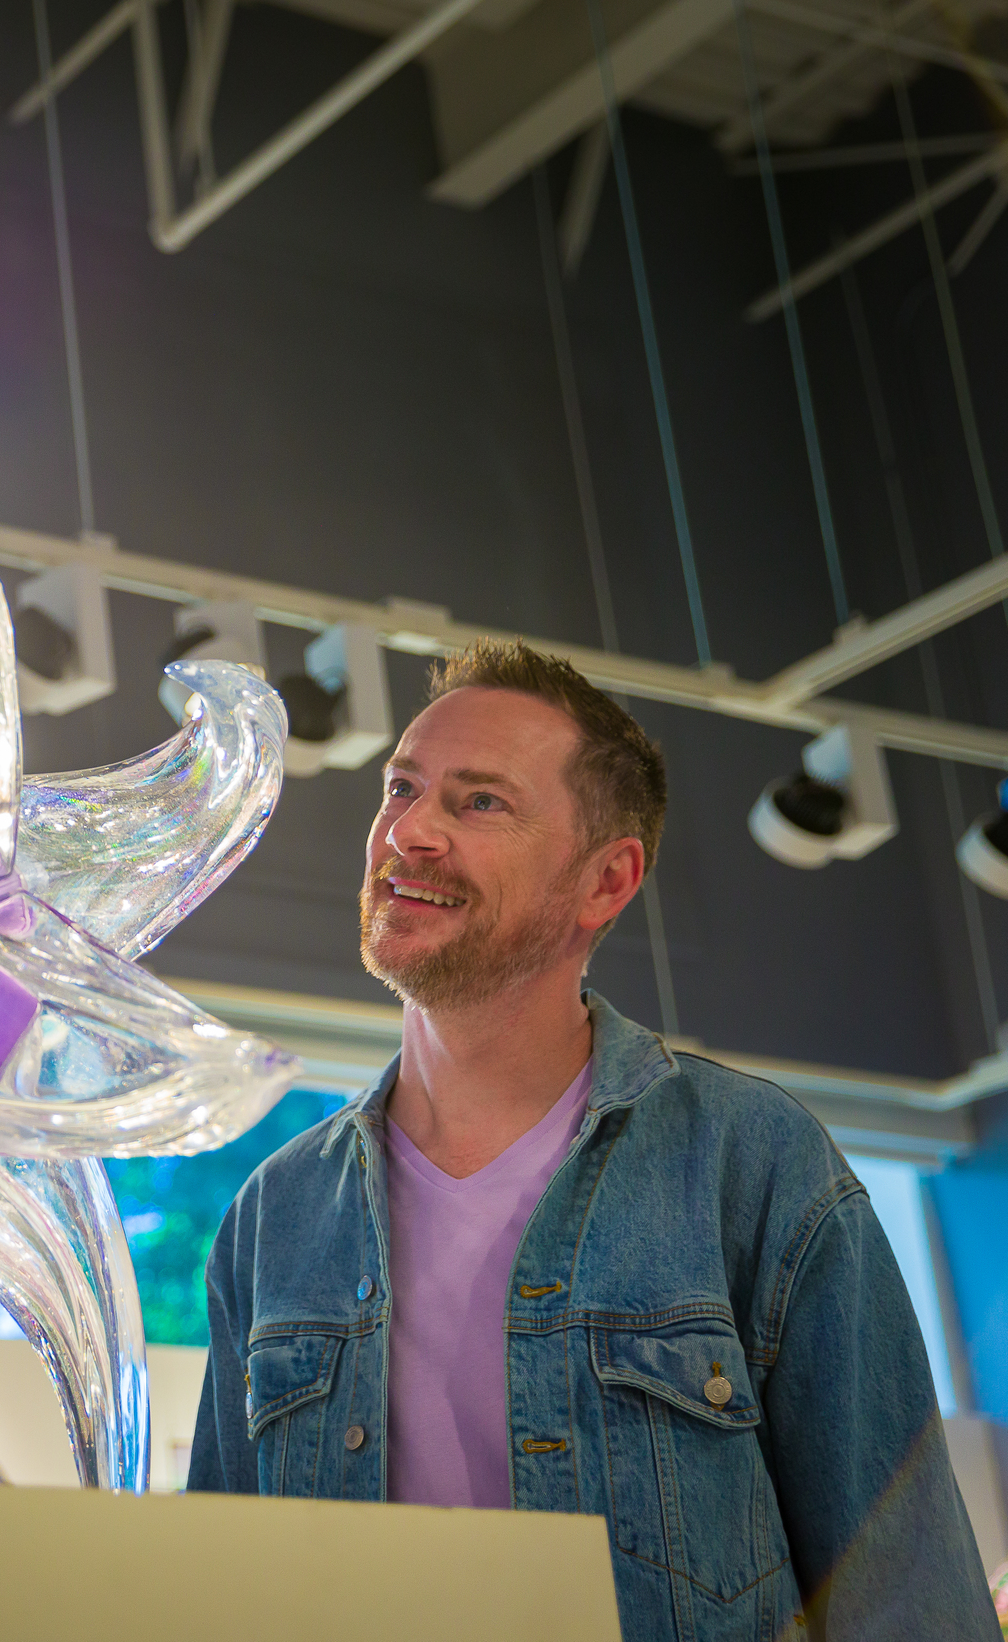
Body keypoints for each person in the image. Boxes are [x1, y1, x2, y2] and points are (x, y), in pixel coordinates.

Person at [187, 639, 992, 1640]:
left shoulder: (751, 1162)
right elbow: (221, 1597)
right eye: (401, 788)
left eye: (480, 803)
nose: (410, 831)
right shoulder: (274, 1216)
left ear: (605, 883)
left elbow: (905, 1594)